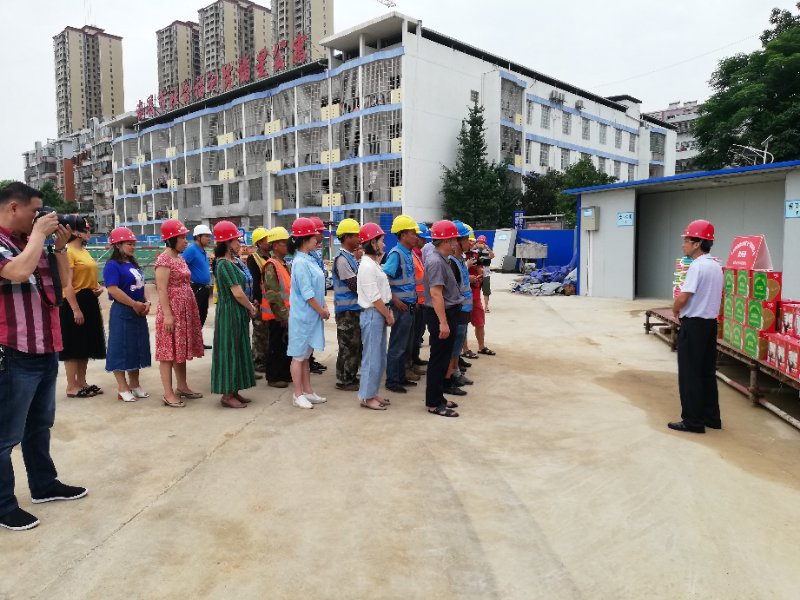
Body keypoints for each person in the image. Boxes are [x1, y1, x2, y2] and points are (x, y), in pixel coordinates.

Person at [0, 182, 86, 532]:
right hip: (14, 351)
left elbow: (65, 284)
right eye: (36, 211)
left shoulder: (31, 243)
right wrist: (38, 235)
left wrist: (60, 247)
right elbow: (17, 272)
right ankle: (4, 506)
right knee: (5, 436)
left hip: (46, 347)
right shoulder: (7, 244)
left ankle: (44, 485)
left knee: (39, 426)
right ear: (13, 208)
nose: (42, 217)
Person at [669, 220, 724, 434]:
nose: (683, 244)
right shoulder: (716, 266)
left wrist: (675, 309)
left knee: (690, 374)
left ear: (697, 243)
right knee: (707, 372)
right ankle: (712, 417)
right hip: (710, 325)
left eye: (686, 240)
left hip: (693, 325)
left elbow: (684, 296)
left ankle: (692, 421)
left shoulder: (697, 266)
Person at [155, 219, 205, 408]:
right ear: (171, 239)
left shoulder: (179, 258)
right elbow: (161, 288)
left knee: (180, 348)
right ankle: (168, 393)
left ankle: (182, 386)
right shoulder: (164, 260)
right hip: (171, 310)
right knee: (168, 351)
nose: (185, 241)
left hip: (184, 309)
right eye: (182, 237)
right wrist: (168, 315)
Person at [211, 221, 258, 409]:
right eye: (236, 240)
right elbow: (237, 293)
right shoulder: (224, 264)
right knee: (229, 350)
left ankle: (235, 390)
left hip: (237, 311)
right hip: (229, 312)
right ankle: (227, 394)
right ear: (226, 243)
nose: (239, 243)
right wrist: (250, 307)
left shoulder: (235, 262)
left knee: (239, 349)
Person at [103, 227, 151, 403]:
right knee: (120, 349)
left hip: (138, 311)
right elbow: (113, 289)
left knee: (136, 347)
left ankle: (135, 384)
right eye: (128, 244)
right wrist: (133, 304)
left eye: (133, 244)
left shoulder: (132, 264)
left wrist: (147, 302)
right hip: (123, 311)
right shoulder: (112, 265)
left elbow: (142, 285)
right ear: (117, 245)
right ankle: (122, 387)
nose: (132, 247)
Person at [422, 220, 464, 418]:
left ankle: (438, 396)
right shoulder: (436, 262)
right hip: (441, 315)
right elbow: (436, 294)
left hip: (447, 313)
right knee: (438, 359)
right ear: (446, 241)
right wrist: (443, 323)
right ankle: (433, 403)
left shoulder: (442, 259)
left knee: (443, 357)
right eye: (454, 239)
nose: (456, 243)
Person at [287, 218, 329, 409]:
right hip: (303, 317)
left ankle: (308, 391)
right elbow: (307, 293)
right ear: (305, 239)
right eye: (314, 237)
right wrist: (321, 311)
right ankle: (297, 394)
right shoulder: (300, 262)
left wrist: (323, 306)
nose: (316, 240)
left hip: (312, 316)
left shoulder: (309, 259)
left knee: (305, 356)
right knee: (298, 356)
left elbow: (318, 288)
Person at [60, 227, 106, 398]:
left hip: (88, 299)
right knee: (73, 343)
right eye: (85, 229)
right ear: (75, 232)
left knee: (85, 343)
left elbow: (87, 276)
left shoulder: (84, 251)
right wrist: (75, 309)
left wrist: (97, 288)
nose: (89, 232)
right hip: (73, 300)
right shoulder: (68, 252)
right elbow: (67, 284)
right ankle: (71, 385)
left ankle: (82, 381)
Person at [356, 223, 394, 410]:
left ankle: (372, 393)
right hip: (373, 313)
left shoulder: (373, 264)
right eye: (381, 240)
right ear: (372, 242)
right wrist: (388, 315)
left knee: (379, 357)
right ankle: (366, 396)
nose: (384, 244)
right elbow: (374, 297)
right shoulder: (366, 266)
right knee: (371, 358)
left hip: (378, 313)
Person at [383, 214, 419, 394]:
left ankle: (401, 376)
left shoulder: (407, 253)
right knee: (397, 345)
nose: (416, 237)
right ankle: (392, 381)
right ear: (403, 235)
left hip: (409, 306)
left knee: (405, 345)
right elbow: (383, 279)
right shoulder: (396, 254)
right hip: (401, 307)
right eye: (413, 233)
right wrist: (395, 299)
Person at [442, 221, 474, 396]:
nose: (470, 242)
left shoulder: (460, 260)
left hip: (464, 309)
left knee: (458, 344)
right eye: (466, 239)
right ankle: (450, 377)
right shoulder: (452, 263)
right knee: (453, 347)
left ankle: (455, 372)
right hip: (458, 310)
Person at [332, 218, 362, 391]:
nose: (359, 238)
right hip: (347, 311)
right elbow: (354, 285)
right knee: (347, 346)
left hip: (354, 308)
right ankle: (344, 379)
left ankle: (350, 375)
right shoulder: (342, 260)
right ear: (347, 237)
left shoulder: (350, 258)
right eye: (356, 235)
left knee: (355, 345)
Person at [261, 227, 292, 388]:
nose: (286, 246)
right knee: (276, 345)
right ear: (274, 245)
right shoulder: (271, 265)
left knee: (284, 345)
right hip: (276, 315)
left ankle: (284, 374)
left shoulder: (283, 264)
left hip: (284, 314)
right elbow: (273, 294)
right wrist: (283, 315)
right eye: (283, 243)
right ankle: (273, 377)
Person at [182, 224, 213, 349]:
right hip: (196, 288)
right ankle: (190, 343)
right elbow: (181, 265)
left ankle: (197, 341)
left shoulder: (202, 251)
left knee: (202, 315)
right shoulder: (191, 250)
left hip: (204, 288)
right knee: (195, 316)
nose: (209, 239)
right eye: (206, 236)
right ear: (198, 237)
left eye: (210, 236)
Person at [247, 227, 271, 375]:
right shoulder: (253, 258)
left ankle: (266, 359)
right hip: (260, 301)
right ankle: (257, 361)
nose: (269, 242)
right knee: (260, 332)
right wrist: (258, 300)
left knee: (268, 332)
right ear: (259, 243)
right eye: (267, 240)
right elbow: (254, 280)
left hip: (270, 301)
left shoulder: (270, 257)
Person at [307, 216, 328, 375]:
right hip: (310, 302)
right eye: (320, 232)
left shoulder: (315, 252)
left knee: (314, 332)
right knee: (309, 333)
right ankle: (307, 361)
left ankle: (310, 359)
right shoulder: (305, 256)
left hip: (318, 297)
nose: (322, 235)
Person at [411, 223, 431, 369]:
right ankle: (410, 362)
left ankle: (415, 358)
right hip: (415, 302)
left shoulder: (419, 255)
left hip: (421, 302)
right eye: (422, 238)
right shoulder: (412, 255)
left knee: (418, 333)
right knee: (412, 335)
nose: (424, 241)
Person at [474, 234, 494, 312]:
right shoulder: (475, 251)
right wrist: (475, 246)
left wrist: (487, 248)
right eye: (479, 242)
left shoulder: (487, 251)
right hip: (477, 273)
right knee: (476, 290)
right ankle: (476, 305)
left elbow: (492, 256)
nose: (480, 244)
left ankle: (486, 306)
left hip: (486, 273)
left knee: (486, 291)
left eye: (482, 242)